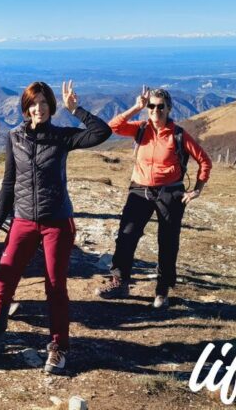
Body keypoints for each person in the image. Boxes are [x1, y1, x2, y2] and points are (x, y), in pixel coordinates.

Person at [0, 81, 111, 375]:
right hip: (23, 221)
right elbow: (9, 183)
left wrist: (77, 110)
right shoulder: (15, 137)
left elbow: (102, 132)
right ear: (26, 108)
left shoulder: (61, 137)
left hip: (57, 222)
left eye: (44, 104)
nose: (38, 109)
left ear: (51, 107)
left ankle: (59, 347)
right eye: (33, 104)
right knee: (4, 281)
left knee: (55, 286)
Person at [95, 87, 212, 309]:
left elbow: (204, 160)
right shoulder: (140, 129)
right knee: (126, 236)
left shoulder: (178, 134)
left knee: (168, 242)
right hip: (140, 189)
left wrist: (197, 189)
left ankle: (162, 290)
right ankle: (119, 282)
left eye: (160, 106)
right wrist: (136, 107)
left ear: (169, 108)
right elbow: (113, 127)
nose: (155, 110)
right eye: (151, 106)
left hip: (170, 191)